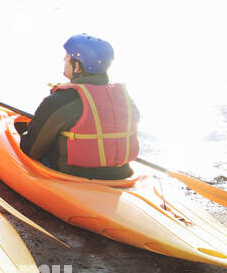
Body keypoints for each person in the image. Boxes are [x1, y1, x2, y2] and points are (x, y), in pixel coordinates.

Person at [19, 34, 140, 179]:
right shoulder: (126, 99)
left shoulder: (60, 100)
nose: (64, 59)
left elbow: (31, 150)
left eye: (68, 56)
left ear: (77, 66)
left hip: (72, 174)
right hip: (120, 173)